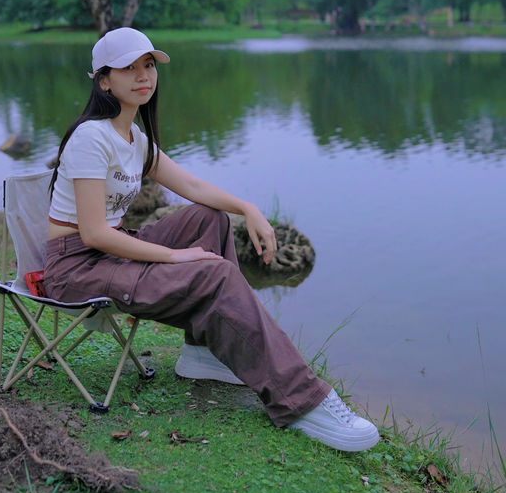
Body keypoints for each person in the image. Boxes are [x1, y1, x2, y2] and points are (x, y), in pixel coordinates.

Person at [44, 28, 379, 452]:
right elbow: (93, 233)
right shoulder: (92, 137)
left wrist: (249, 209)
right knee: (214, 272)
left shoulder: (133, 137)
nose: (143, 75)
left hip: (108, 252)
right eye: (128, 67)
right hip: (76, 268)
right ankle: (304, 401)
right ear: (103, 80)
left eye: (148, 64)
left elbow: (194, 188)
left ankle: (201, 356)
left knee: (210, 218)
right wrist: (173, 256)